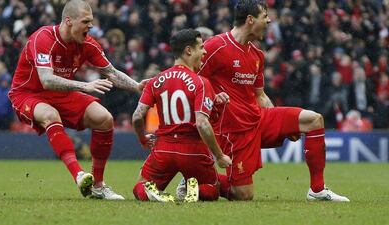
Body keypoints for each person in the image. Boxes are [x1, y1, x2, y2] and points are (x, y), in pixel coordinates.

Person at [196, 0, 349, 201]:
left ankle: (317, 190)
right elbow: (193, 78)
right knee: (243, 195)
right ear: (250, 20)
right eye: (264, 17)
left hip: (258, 118)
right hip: (234, 130)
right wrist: (213, 95)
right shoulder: (216, 46)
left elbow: (260, 95)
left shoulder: (257, 54)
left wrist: (282, 125)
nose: (269, 21)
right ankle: (201, 178)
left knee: (313, 120)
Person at [8, 0, 147, 200]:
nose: (91, 26)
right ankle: (79, 174)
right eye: (86, 21)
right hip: (27, 93)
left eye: (91, 21)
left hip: (62, 93)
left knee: (104, 119)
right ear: (69, 21)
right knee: (49, 114)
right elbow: (46, 80)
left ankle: (98, 185)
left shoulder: (88, 44)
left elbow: (112, 73)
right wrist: (85, 86)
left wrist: (136, 86)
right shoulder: (43, 38)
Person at [132, 29, 232, 202]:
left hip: (163, 150)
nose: (204, 51)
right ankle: (194, 190)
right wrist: (220, 156)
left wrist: (142, 138)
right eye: (201, 47)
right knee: (211, 189)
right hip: (193, 150)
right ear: (188, 50)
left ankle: (149, 192)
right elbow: (202, 124)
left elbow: (137, 116)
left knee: (140, 186)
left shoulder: (156, 80)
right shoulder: (201, 82)